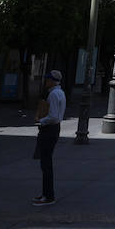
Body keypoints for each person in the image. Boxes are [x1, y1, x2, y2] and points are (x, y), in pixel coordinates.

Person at [32, 70, 66, 206]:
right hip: (55, 129)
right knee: (46, 163)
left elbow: (53, 116)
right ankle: (45, 193)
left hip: (49, 129)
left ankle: (48, 196)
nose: (46, 81)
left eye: (48, 79)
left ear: (53, 81)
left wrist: (41, 121)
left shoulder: (53, 94)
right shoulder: (60, 93)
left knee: (46, 164)